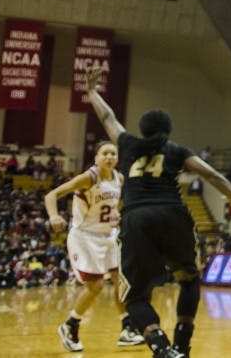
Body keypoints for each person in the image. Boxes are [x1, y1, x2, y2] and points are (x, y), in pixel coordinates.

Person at [85, 72, 231, 358]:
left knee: (134, 297)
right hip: (173, 215)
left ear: (143, 129)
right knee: (188, 278)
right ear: (167, 130)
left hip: (136, 219)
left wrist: (92, 92)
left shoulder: (128, 144)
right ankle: (182, 346)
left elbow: (108, 118)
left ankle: (161, 348)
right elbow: (212, 175)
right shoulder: (175, 150)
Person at [44, 141, 144, 351]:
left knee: (121, 281)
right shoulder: (88, 178)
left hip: (108, 236)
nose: (109, 157)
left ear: (117, 158)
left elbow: (116, 205)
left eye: (113, 153)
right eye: (105, 153)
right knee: (96, 286)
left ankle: (127, 329)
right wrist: (54, 215)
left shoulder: (119, 178)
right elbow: (51, 195)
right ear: (97, 157)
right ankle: (70, 325)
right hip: (85, 237)